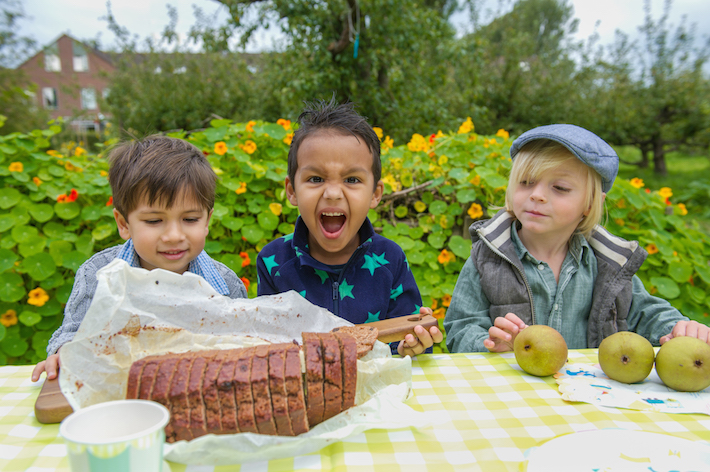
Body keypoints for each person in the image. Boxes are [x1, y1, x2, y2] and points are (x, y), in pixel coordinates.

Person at [444, 124, 709, 353]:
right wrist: (489, 344)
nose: (537, 195)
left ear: (591, 202)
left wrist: (678, 327)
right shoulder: (487, 257)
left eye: (559, 188)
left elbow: (645, 312)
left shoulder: (608, 263)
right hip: (516, 392)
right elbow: (460, 327)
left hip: (589, 393)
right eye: (525, 182)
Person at [32, 136, 248, 381]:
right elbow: (73, 333)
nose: (174, 236)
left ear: (207, 221)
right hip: (119, 392)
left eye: (190, 219)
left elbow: (242, 342)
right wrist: (64, 353)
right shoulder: (98, 274)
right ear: (124, 224)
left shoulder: (225, 285)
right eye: (154, 221)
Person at [257, 97, 442, 357]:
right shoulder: (273, 261)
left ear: (376, 194)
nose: (333, 193)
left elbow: (404, 340)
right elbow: (268, 346)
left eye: (352, 179)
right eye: (316, 178)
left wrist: (412, 346)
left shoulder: (390, 260)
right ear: (292, 191)